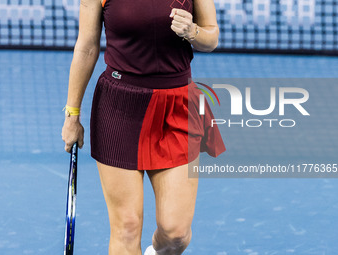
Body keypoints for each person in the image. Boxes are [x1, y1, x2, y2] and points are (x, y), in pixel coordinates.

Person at [61, 0, 226, 254]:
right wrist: (72, 115)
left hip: (177, 108)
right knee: (126, 226)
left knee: (176, 234)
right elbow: (86, 47)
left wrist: (192, 32)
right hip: (120, 109)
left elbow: (211, 37)